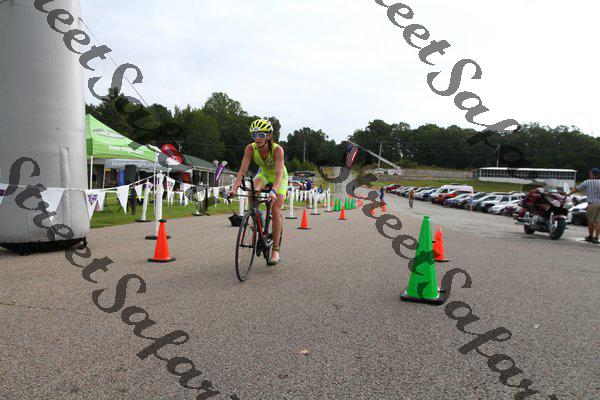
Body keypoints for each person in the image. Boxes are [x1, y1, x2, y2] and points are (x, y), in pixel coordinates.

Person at [229, 119, 288, 264]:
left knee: (275, 210)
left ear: (268, 136)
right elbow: (242, 171)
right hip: (265, 175)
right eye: (254, 135)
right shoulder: (250, 148)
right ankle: (257, 216)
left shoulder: (277, 150)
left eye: (261, 135)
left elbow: (279, 174)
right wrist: (234, 188)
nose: (258, 138)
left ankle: (275, 250)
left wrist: (273, 191)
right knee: (251, 190)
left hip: (279, 178)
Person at [568, 168, 600, 243]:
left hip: (592, 204)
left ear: (592, 174)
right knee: (599, 222)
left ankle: (590, 236)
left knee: (591, 221)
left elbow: (577, 189)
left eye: (590, 173)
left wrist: (568, 194)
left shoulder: (587, 182)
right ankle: (596, 238)